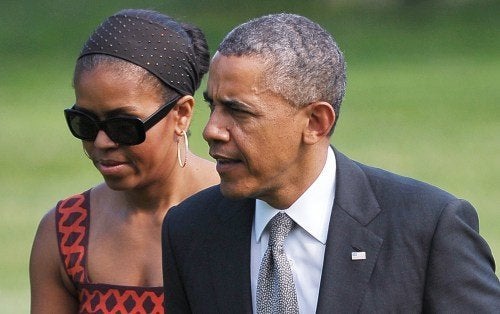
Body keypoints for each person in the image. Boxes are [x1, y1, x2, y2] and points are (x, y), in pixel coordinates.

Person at [162, 13, 500, 313]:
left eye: (238, 111)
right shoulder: (189, 230)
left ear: (315, 123)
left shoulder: (428, 227)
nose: (211, 130)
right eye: (214, 106)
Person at [29, 9, 219, 313]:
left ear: (181, 114)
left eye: (124, 126)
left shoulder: (245, 214)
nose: (102, 142)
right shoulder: (65, 232)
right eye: (85, 124)